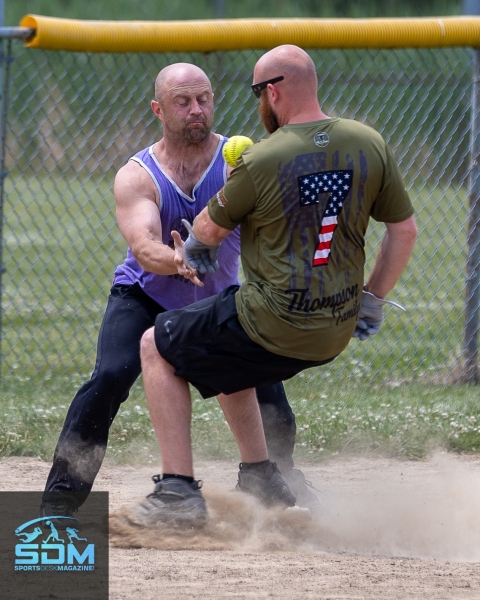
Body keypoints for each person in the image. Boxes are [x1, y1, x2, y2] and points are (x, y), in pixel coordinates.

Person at [137, 44, 418, 526]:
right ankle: (261, 479)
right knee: (225, 347)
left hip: (275, 321)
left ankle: (177, 495)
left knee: (155, 345)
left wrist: (195, 253)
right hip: (335, 328)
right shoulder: (369, 141)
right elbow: (404, 231)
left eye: (257, 93)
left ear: (272, 92)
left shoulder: (262, 158)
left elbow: (206, 233)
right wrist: (372, 301)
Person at [40, 62, 317, 522]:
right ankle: (58, 502)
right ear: (158, 109)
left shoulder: (240, 161)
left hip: (220, 296)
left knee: (270, 398)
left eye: (204, 99)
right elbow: (145, 246)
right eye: (182, 102)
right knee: (111, 375)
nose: (196, 110)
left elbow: (276, 230)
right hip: (145, 297)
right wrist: (179, 259)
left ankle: (277, 482)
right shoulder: (138, 175)